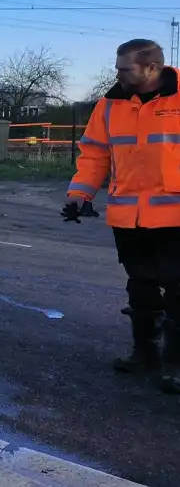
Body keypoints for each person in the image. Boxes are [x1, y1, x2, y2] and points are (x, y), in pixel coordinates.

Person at [65, 38, 180, 393]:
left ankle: (174, 366)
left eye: (123, 68)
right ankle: (144, 353)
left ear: (151, 68)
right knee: (141, 289)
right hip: (129, 220)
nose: (117, 73)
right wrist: (79, 194)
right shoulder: (110, 105)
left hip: (176, 219)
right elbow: (95, 155)